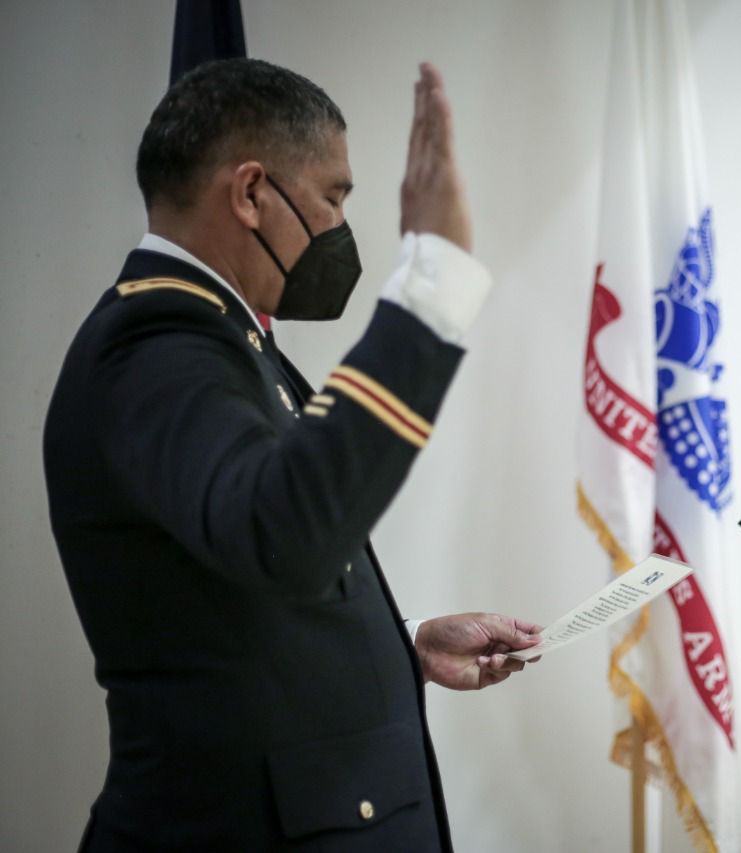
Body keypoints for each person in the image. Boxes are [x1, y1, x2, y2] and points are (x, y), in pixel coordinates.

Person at [43, 58, 539, 851]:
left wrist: (402, 640)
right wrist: (432, 283)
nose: (345, 223)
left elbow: (239, 580)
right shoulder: (153, 345)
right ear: (249, 193)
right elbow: (289, 531)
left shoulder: (227, 344)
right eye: (335, 195)